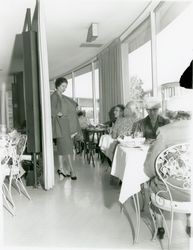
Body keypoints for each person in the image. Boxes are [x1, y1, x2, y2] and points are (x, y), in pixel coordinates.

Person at [144, 92, 193, 238]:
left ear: (171, 113)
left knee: (153, 180)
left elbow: (151, 167)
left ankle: (160, 227)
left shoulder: (164, 132)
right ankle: (189, 222)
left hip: (169, 193)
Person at [51, 77, 81, 180]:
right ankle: (72, 171)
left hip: (64, 125)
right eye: (63, 86)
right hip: (60, 125)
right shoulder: (54, 96)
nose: (64, 88)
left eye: (66, 86)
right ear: (58, 85)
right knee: (68, 149)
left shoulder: (62, 96)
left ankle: (61, 169)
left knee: (62, 148)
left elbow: (71, 104)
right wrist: (59, 114)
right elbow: (51, 109)